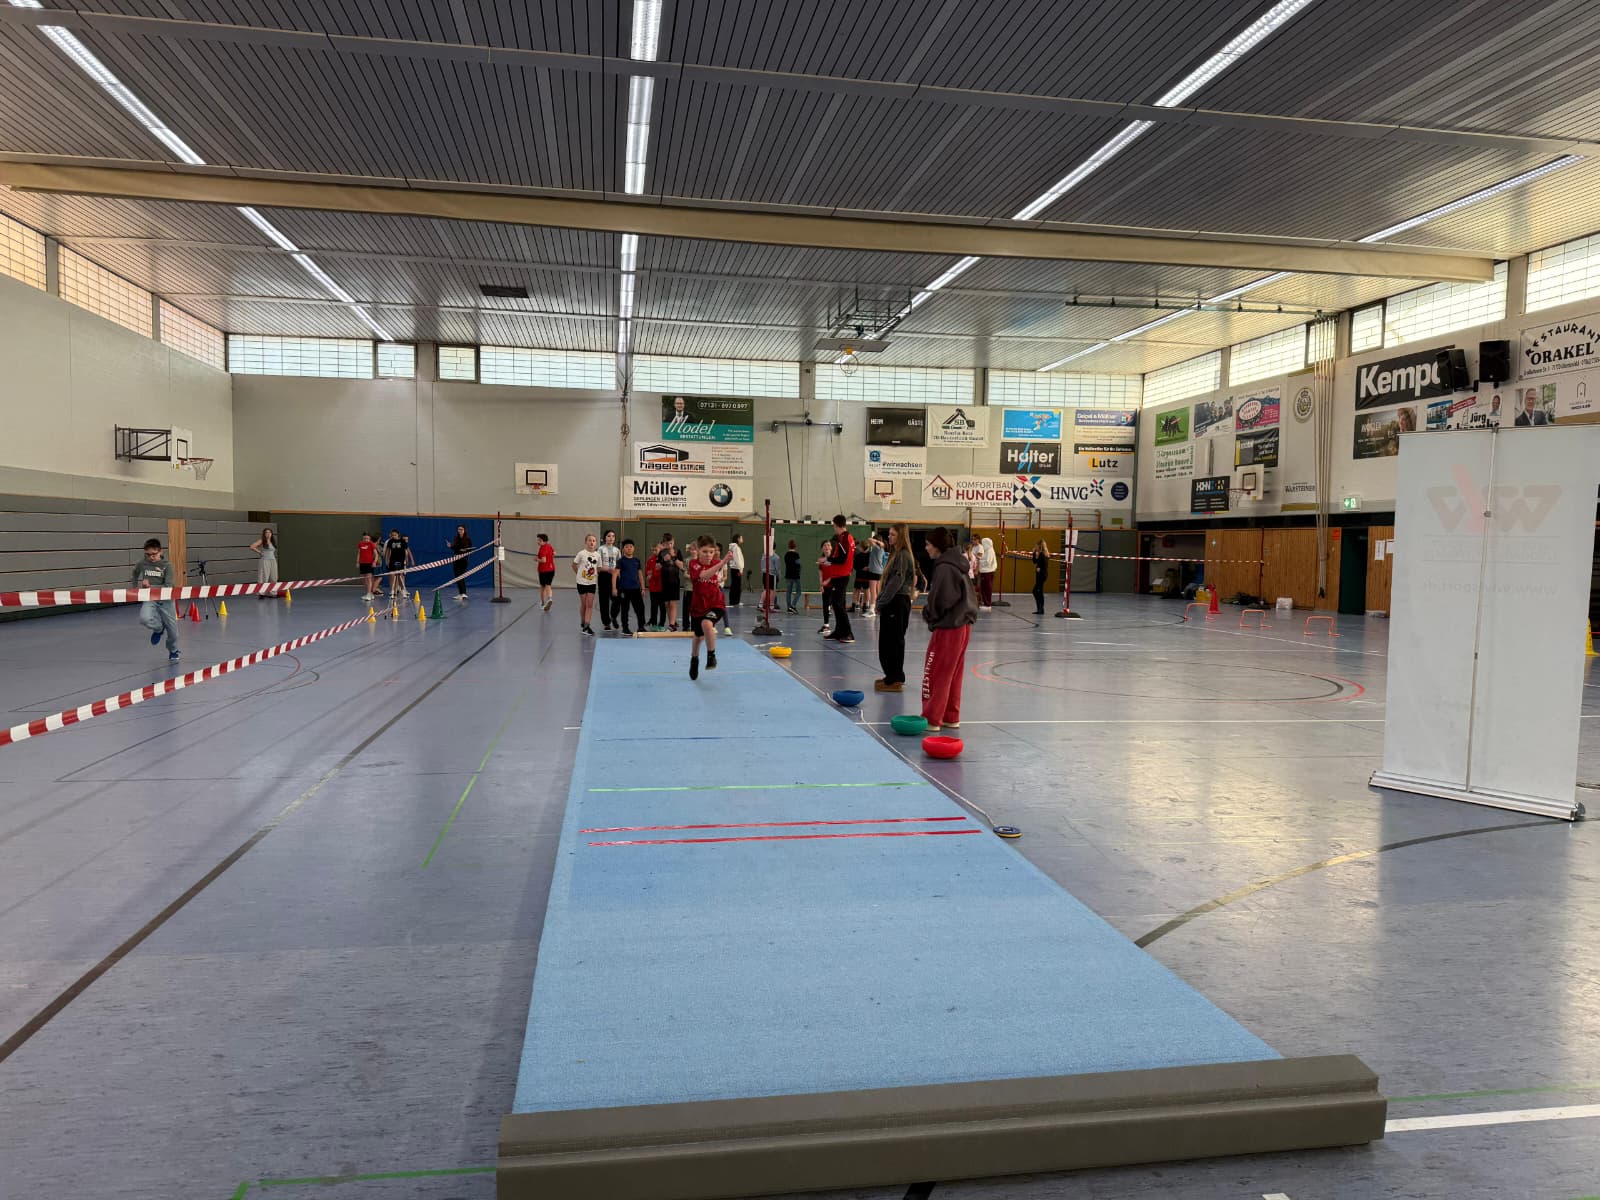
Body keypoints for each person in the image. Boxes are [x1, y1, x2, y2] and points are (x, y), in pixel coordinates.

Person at [920, 526, 978, 732]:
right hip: (963, 625)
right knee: (953, 673)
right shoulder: (958, 562)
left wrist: (928, 614)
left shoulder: (945, 567)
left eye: (928, 544)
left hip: (949, 626)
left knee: (936, 671)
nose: (926, 548)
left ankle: (932, 718)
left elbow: (941, 599)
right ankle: (950, 716)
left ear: (937, 545)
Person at [874, 523, 916, 693]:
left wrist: (880, 602)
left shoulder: (903, 556)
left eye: (893, 534)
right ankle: (890, 676)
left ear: (901, 537)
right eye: (889, 534)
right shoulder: (895, 554)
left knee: (893, 642)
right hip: (892, 602)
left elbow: (895, 583)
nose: (889, 537)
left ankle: (895, 678)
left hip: (897, 602)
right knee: (886, 641)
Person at [686, 535, 735, 680]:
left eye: (711, 552)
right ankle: (694, 658)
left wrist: (723, 562)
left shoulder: (716, 562)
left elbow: (720, 574)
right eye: (705, 552)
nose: (708, 555)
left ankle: (711, 656)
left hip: (716, 603)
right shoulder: (693, 564)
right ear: (698, 551)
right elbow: (705, 575)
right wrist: (723, 562)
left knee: (707, 624)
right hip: (698, 606)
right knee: (698, 637)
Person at [132, 537, 180, 663]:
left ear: (160, 551)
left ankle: (173, 650)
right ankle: (158, 628)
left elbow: (168, 586)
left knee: (173, 632)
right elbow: (135, 572)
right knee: (144, 618)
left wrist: (151, 586)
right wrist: (135, 588)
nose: (151, 557)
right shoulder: (143, 563)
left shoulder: (167, 566)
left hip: (166, 600)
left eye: (154, 554)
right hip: (150, 598)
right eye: (147, 554)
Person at [819, 515, 855, 642]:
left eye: (834, 525)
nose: (833, 528)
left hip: (842, 576)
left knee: (838, 604)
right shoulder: (845, 538)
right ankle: (839, 631)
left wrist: (828, 559)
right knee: (836, 603)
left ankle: (848, 633)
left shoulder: (845, 538)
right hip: (839, 575)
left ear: (838, 525)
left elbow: (842, 559)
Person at [571, 532, 601, 635]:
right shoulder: (581, 553)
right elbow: (574, 565)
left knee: (590, 604)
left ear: (596, 543)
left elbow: (599, 568)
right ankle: (583, 622)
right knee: (584, 604)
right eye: (589, 540)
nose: (592, 542)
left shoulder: (597, 555)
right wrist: (579, 574)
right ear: (586, 542)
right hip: (581, 583)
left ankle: (587, 626)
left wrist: (594, 575)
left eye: (594, 541)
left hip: (592, 583)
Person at [616, 538, 645, 636]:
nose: (629, 548)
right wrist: (614, 588)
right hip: (624, 589)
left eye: (631, 547)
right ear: (623, 549)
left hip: (636, 589)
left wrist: (643, 588)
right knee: (625, 609)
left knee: (640, 608)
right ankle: (625, 628)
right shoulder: (621, 561)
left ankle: (641, 626)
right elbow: (615, 574)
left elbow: (640, 574)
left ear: (634, 548)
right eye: (626, 547)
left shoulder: (636, 561)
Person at [656, 533, 682, 631]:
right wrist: (663, 560)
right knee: (667, 604)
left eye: (671, 543)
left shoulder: (677, 551)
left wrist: (673, 557)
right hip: (665, 581)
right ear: (664, 543)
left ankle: (671, 625)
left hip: (674, 581)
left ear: (673, 542)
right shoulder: (661, 553)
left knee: (672, 603)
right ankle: (673, 622)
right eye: (667, 544)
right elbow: (657, 567)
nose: (669, 545)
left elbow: (682, 566)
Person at [597, 529, 621, 630]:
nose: (611, 538)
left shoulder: (617, 550)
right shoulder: (600, 549)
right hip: (603, 576)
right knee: (604, 600)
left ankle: (613, 616)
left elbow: (619, 565)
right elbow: (597, 566)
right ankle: (606, 623)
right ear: (605, 538)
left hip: (614, 577)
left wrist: (618, 574)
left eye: (613, 536)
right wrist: (607, 569)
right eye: (609, 536)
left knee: (617, 599)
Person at [249, 527, 279, 597]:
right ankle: (261, 593)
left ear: (271, 534)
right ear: (264, 534)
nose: (268, 534)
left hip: (273, 560)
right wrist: (260, 552)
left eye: (269, 532)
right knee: (264, 577)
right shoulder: (262, 540)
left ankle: (273, 593)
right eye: (266, 532)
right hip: (265, 560)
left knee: (274, 577)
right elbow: (252, 546)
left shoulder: (272, 541)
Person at [383, 528, 413, 600]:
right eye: (392, 535)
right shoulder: (390, 542)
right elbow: (388, 551)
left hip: (401, 561)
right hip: (392, 561)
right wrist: (387, 560)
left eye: (395, 535)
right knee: (392, 575)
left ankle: (403, 590)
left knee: (400, 576)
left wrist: (409, 560)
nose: (393, 536)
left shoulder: (402, 541)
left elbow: (407, 551)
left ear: (398, 535)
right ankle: (392, 591)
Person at [448, 524, 473, 602]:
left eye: (461, 529)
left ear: (464, 530)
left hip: (463, 560)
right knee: (457, 577)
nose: (460, 531)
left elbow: (470, 549)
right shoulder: (456, 538)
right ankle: (460, 593)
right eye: (459, 529)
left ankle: (463, 593)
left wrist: (465, 550)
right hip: (456, 559)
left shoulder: (468, 539)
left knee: (461, 576)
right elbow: (455, 548)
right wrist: (450, 546)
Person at [644, 537, 664, 629]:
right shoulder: (650, 560)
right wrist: (649, 574)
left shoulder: (663, 560)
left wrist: (653, 574)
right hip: (653, 587)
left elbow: (660, 573)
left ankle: (661, 624)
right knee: (653, 606)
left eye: (656, 550)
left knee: (662, 606)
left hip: (661, 587)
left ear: (660, 549)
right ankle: (654, 623)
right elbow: (647, 572)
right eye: (653, 550)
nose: (654, 551)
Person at [865, 531, 887, 612]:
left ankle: (872, 610)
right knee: (877, 591)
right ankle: (878, 608)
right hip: (878, 571)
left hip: (874, 572)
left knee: (873, 591)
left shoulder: (877, 547)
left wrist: (876, 541)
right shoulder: (879, 549)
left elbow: (869, 539)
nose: (871, 543)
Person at [976, 536, 998, 610]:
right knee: (984, 588)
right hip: (985, 571)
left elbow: (987, 562)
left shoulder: (989, 551)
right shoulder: (987, 551)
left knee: (987, 588)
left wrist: (979, 561)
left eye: (983, 543)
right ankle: (986, 603)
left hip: (987, 572)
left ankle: (988, 604)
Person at [356, 532, 379, 600]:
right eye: (364, 538)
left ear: (370, 538)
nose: (366, 540)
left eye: (367, 538)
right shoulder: (360, 544)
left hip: (369, 563)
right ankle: (369, 593)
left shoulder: (371, 544)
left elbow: (376, 554)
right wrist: (357, 562)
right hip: (362, 563)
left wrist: (374, 562)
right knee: (364, 579)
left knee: (369, 578)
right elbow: (359, 553)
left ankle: (369, 593)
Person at [536, 533, 556, 611]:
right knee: (548, 585)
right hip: (551, 569)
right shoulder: (549, 546)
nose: (537, 542)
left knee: (542, 587)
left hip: (543, 570)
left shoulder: (542, 548)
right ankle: (550, 598)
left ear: (542, 540)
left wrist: (537, 559)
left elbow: (543, 560)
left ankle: (543, 603)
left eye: (539, 540)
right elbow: (554, 553)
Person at [783, 539, 803, 613]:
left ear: (788, 546)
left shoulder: (786, 555)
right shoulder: (796, 555)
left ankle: (789, 607)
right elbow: (798, 565)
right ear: (795, 546)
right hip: (796, 575)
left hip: (788, 575)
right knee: (799, 592)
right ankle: (793, 605)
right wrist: (799, 572)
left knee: (788, 592)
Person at [760, 543, 779, 614]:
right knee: (772, 591)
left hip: (764, 574)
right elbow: (777, 568)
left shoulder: (764, 555)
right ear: (775, 548)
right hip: (772, 575)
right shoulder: (776, 557)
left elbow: (761, 565)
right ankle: (771, 607)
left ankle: (760, 605)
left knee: (765, 590)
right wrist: (778, 575)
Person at [727, 533, 745, 606]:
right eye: (741, 538)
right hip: (736, 569)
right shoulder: (736, 548)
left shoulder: (734, 547)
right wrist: (740, 569)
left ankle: (734, 601)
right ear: (738, 539)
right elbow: (737, 559)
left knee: (735, 585)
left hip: (734, 569)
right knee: (736, 586)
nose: (742, 539)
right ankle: (735, 601)